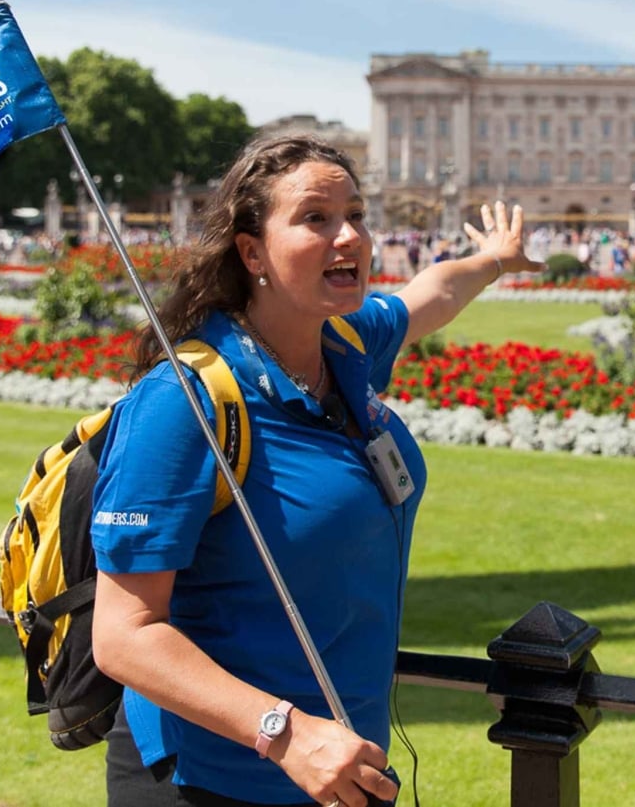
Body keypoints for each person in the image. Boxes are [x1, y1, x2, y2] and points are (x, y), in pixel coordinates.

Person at [91, 135, 541, 806]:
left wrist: (494, 259)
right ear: (252, 252)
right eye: (316, 218)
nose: (350, 236)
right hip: (216, 779)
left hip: (341, 768)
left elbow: (431, 294)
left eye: (356, 214)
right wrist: (286, 732)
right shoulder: (184, 400)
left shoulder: (345, 338)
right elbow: (124, 634)